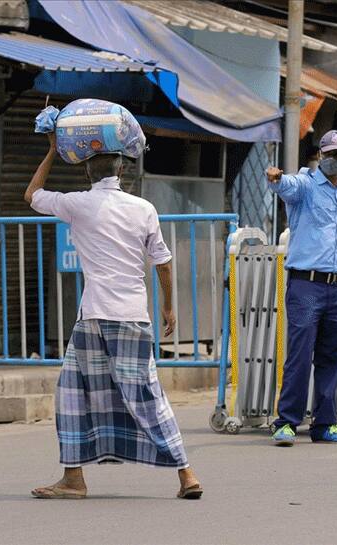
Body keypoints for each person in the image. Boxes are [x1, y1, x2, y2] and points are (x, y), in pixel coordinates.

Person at [26, 132, 202, 500]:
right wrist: (168, 306)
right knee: (147, 394)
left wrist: (52, 152)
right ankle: (185, 474)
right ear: (122, 169)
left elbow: (32, 195)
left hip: (93, 317)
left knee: (73, 395)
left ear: (86, 171)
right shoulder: (144, 208)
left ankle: (75, 478)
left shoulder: (77, 204)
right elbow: (163, 264)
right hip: (133, 317)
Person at [266, 130, 337, 447]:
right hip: (307, 284)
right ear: (320, 155)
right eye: (330, 154)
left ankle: (325, 424)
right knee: (299, 354)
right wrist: (275, 178)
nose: (335, 160)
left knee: (333, 355)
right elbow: (285, 186)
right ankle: (286, 422)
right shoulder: (306, 185)